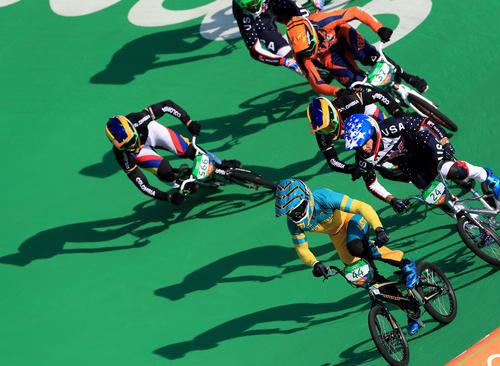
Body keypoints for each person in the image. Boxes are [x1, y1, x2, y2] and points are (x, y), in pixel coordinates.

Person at [274, 178, 423, 335]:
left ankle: (405, 263)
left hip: (352, 219)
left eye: (298, 209)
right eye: (291, 212)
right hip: (336, 236)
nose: (296, 215)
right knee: (364, 278)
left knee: (356, 247)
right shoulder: (294, 223)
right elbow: (302, 249)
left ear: (307, 197)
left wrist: (379, 228)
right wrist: (315, 263)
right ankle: (410, 309)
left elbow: (361, 207)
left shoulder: (323, 197)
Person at [343, 113, 500, 213]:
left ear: (373, 132)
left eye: (365, 142)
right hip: (411, 163)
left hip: (423, 144)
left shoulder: (389, 127)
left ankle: (487, 176)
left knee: (452, 171)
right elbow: (372, 184)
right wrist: (391, 199)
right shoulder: (363, 160)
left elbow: (424, 122)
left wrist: (445, 142)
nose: (363, 148)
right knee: (438, 198)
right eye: (358, 146)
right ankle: (475, 224)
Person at [104, 100, 241, 205]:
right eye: (126, 146)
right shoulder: (122, 155)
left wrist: (189, 122)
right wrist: (168, 197)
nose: (132, 146)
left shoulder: (140, 119)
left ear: (133, 130)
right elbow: (142, 185)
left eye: (132, 141)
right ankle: (179, 185)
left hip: (151, 133)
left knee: (189, 150)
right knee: (164, 171)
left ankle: (221, 163)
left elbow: (166, 105)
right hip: (143, 151)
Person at [286, 7, 428, 96]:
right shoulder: (300, 55)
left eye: (310, 50)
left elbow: (355, 11)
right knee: (359, 87)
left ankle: (408, 77)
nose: (309, 55)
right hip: (330, 56)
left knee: (372, 57)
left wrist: (378, 28)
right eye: (305, 53)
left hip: (344, 36)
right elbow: (317, 84)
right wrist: (337, 92)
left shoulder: (322, 20)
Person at [306, 90, 404, 179]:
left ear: (334, 115)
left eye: (329, 126)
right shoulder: (321, 131)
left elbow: (379, 94)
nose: (329, 132)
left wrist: (398, 113)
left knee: (392, 132)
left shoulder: (347, 102)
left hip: (367, 114)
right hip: (354, 131)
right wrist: (351, 169)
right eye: (324, 130)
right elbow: (333, 162)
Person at [232, 0, 324, 75]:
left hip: (275, 3)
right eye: (249, 5)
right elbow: (255, 50)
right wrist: (283, 61)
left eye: (255, 2)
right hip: (259, 21)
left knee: (310, 21)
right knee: (286, 53)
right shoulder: (242, 15)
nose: (254, 7)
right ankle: (314, 74)